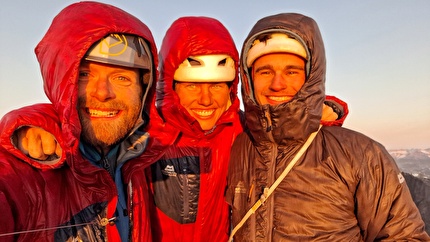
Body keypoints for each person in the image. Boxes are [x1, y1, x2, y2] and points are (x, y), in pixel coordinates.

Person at [5, 15, 348, 242]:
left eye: (217, 85)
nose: (206, 98)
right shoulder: (145, 137)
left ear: (232, 88)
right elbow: (86, 126)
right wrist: (39, 120)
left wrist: (321, 108)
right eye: (191, 84)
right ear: (168, 84)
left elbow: (280, 118)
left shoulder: (242, 131)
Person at [226, 12, 430, 241]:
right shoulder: (237, 146)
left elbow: (404, 236)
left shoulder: (361, 153)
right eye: (265, 72)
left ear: (311, 77)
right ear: (249, 78)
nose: (277, 84)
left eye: (291, 71)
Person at [0, 2, 164, 241]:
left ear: (144, 89)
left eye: (121, 77)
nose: (102, 93)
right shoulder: (19, 174)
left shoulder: (141, 158)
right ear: (58, 79)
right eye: (85, 75)